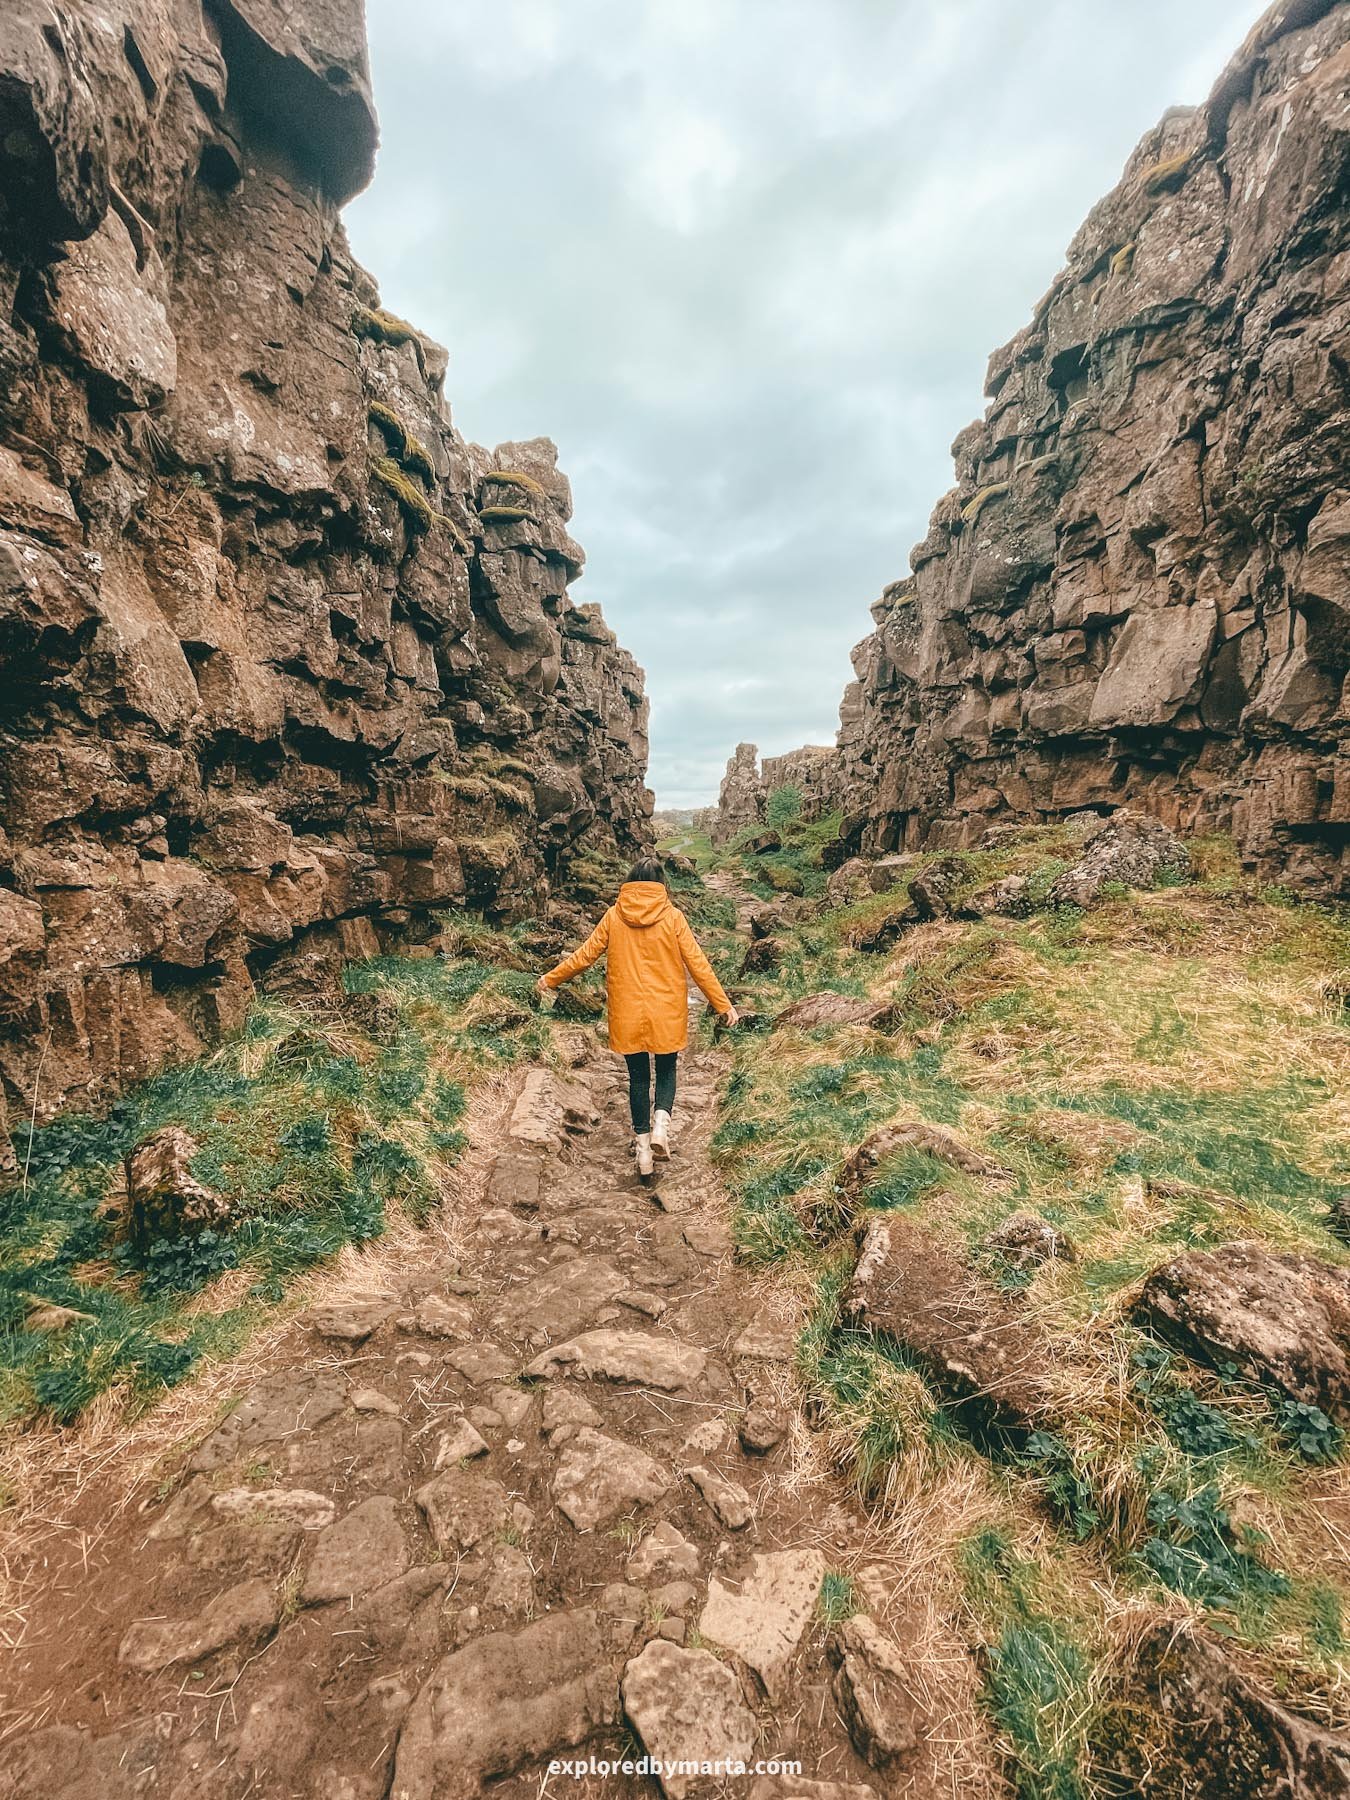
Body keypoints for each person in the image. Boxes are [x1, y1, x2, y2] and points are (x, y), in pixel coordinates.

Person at [537, 858, 739, 1177]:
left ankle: (644, 1152)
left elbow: (585, 956)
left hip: (628, 1010)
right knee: (667, 1069)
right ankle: (661, 1127)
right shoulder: (673, 917)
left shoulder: (614, 916)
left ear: (630, 881)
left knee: (639, 1078)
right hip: (666, 1009)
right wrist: (722, 1003)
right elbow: (697, 963)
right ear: (661, 883)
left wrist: (550, 979)